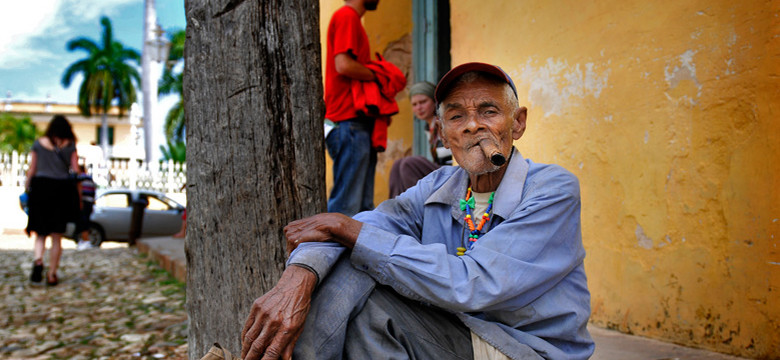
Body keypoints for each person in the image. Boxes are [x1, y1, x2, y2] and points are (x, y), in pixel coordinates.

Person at [240, 63, 594, 360]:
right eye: (457, 116)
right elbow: (368, 225)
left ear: (517, 123)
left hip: (524, 349)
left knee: (374, 305)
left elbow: (472, 283)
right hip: (459, 330)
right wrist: (300, 274)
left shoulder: (551, 189)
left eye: (488, 111)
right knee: (356, 267)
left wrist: (345, 229)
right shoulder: (440, 185)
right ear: (442, 134)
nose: (473, 125)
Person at [324, 0, 382, 217]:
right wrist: (378, 76)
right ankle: (328, 251)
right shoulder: (347, 16)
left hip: (352, 123)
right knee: (347, 208)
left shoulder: (352, 19)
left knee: (362, 209)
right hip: (348, 121)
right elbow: (343, 64)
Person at [25, 115, 80, 286]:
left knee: (40, 233)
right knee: (57, 236)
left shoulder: (38, 144)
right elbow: (76, 171)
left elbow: (32, 169)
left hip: (41, 189)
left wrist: (28, 188)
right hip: (61, 191)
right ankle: (52, 274)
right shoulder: (70, 145)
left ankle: (39, 261)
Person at [388, 81, 453, 198]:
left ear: (435, 102)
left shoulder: (445, 123)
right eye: (414, 104)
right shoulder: (429, 127)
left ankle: (418, 207)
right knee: (398, 164)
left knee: (409, 163)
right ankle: (395, 207)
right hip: (441, 172)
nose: (419, 108)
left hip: (453, 174)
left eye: (423, 102)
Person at [76, 164, 96, 250]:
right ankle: (85, 240)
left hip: (83, 201)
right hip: (90, 202)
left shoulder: (80, 178)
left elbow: (79, 190)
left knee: (83, 222)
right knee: (86, 221)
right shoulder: (89, 178)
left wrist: (79, 202)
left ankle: (85, 240)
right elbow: (94, 190)